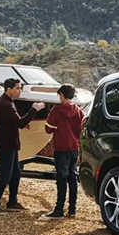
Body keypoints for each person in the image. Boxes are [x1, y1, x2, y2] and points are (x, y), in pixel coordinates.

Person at [0, 78, 44, 215]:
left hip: (9, 142)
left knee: (16, 172)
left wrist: (23, 121)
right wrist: (33, 110)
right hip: (5, 143)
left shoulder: (7, 101)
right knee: (6, 174)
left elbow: (14, 120)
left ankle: (12, 202)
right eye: (18, 88)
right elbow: (20, 123)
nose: (20, 91)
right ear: (9, 89)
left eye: (20, 88)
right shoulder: (5, 104)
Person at [41, 84, 84, 220]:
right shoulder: (78, 110)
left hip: (61, 148)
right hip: (74, 148)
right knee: (72, 177)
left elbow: (48, 129)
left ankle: (59, 210)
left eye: (59, 95)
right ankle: (72, 209)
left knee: (61, 178)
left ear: (62, 95)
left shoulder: (57, 110)